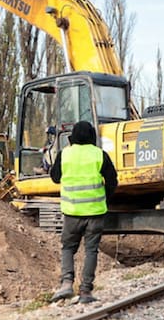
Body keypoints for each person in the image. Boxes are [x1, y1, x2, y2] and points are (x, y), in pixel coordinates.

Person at [48, 120, 117, 304]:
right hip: (95, 213)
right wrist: (104, 198)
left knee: (68, 248)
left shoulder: (65, 155)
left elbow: (55, 178)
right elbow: (112, 182)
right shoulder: (100, 155)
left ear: (73, 137)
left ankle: (66, 283)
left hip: (72, 212)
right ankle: (85, 291)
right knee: (91, 251)